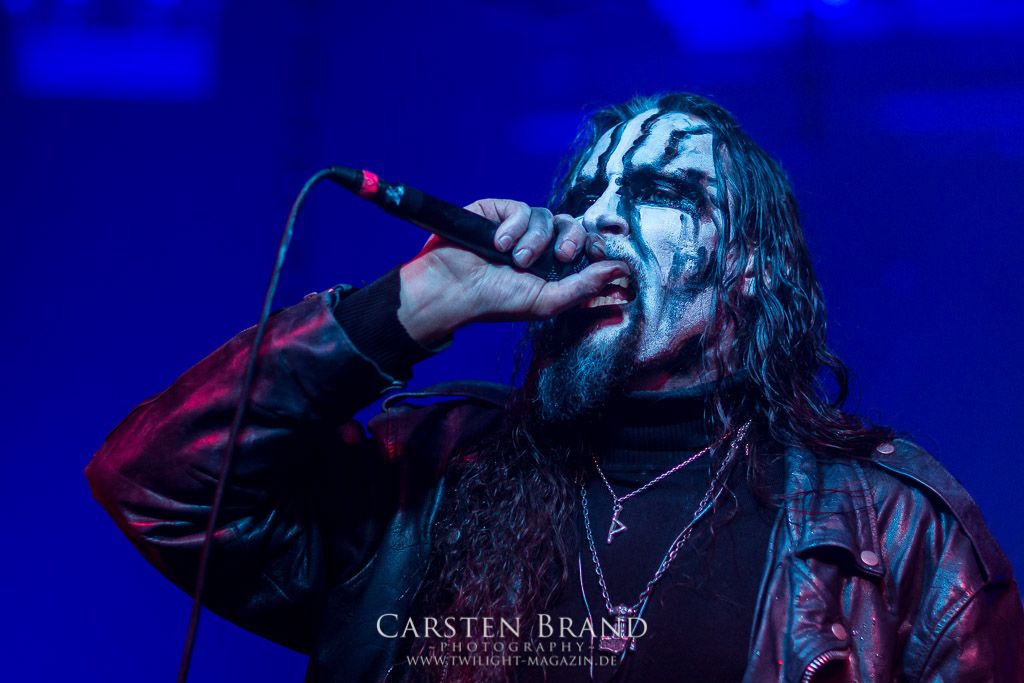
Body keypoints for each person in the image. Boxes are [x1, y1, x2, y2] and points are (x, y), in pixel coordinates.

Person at [86, 93, 1024, 682]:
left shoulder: (891, 526)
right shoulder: (431, 476)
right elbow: (153, 480)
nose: (595, 222)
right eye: (581, 198)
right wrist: (408, 307)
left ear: (750, 266)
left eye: (656, 192)